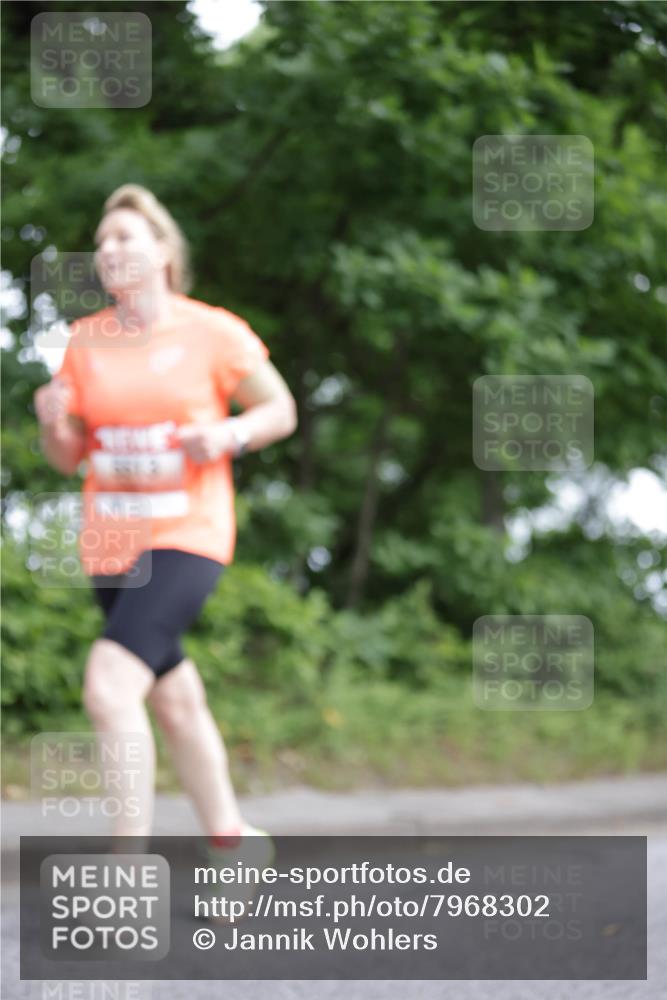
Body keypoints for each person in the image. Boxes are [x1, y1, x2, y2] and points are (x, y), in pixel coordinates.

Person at [34, 184, 297, 868]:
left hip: (188, 533)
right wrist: (52, 421)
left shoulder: (212, 331)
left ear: (163, 251)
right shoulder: (85, 342)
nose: (107, 249)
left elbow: (280, 410)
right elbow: (68, 458)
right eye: (100, 242)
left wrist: (230, 434)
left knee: (109, 684)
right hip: (111, 540)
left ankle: (125, 869)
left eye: (123, 236)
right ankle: (235, 846)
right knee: (174, 702)